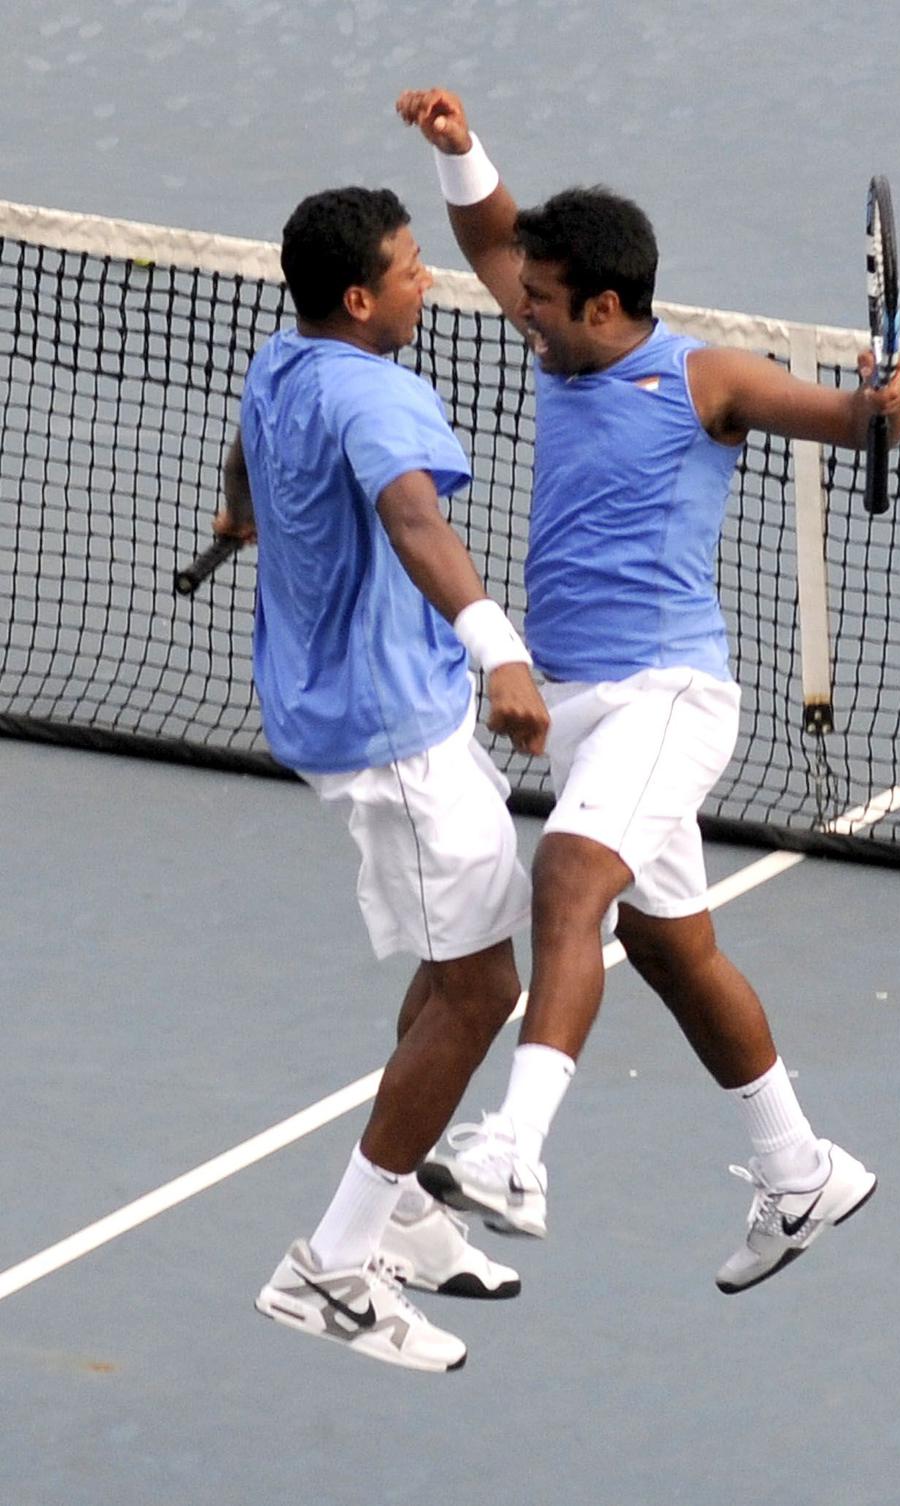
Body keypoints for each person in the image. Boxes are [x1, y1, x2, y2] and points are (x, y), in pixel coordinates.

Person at [396, 89, 900, 1294]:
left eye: (541, 304)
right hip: (579, 707)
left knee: (569, 879)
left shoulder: (703, 377)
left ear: (608, 305)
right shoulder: (556, 327)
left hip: (667, 697)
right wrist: (462, 151)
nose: (520, 316)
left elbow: (839, 419)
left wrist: (874, 403)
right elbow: (489, 241)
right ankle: (801, 1171)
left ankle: (515, 1149)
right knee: (672, 948)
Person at [214, 184, 550, 1369]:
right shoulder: (377, 393)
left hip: (366, 710)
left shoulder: (286, 361)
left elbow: (248, 447)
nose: (429, 281)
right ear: (359, 300)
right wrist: (499, 652)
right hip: (389, 731)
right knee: (480, 991)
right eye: (410, 270)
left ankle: (400, 1198)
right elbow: (414, 520)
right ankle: (333, 1264)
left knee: (455, 959)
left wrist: (242, 506)